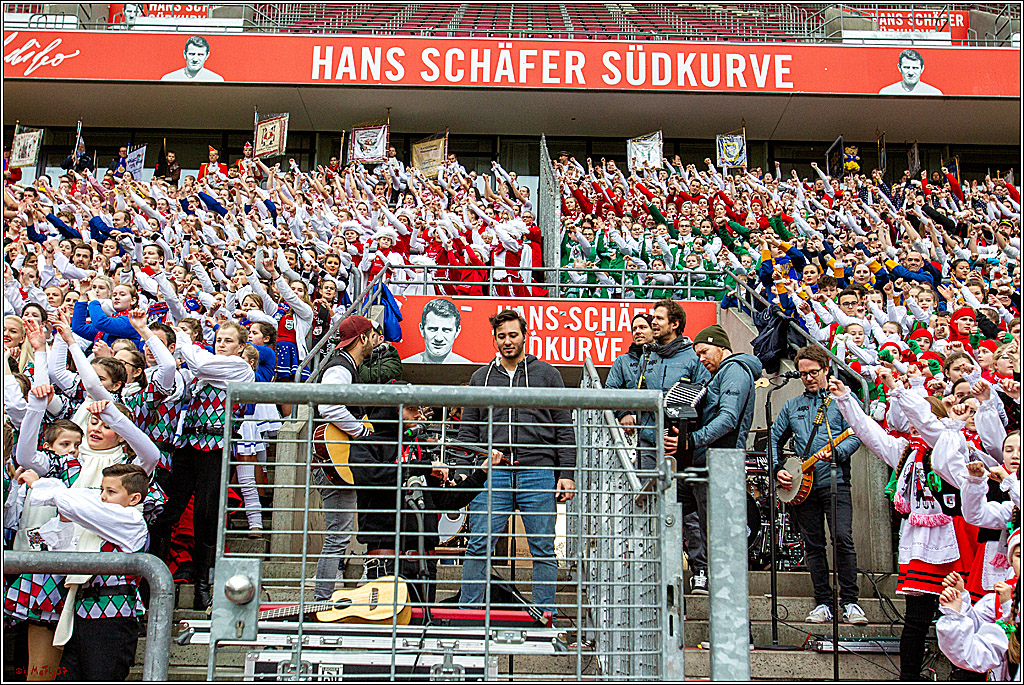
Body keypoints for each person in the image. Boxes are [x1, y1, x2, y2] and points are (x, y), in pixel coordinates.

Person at [458, 310, 576, 616]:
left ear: (525, 335)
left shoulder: (547, 374)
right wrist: (479, 459)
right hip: (493, 475)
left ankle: (543, 618)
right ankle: (467, 619)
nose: (508, 341)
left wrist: (567, 473)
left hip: (538, 472)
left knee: (543, 550)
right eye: (502, 336)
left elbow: (564, 426)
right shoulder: (479, 378)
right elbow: (466, 432)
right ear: (494, 339)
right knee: (478, 547)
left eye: (513, 335)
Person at [349, 396, 499, 606]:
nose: (418, 414)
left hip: (424, 565)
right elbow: (373, 477)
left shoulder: (418, 451)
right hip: (387, 560)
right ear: (391, 411)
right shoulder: (367, 446)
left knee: (422, 627)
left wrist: (481, 473)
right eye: (411, 409)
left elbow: (446, 500)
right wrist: (423, 467)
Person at [147, 322, 255, 610]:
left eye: (229, 341)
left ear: (240, 347)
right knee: (168, 511)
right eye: (219, 339)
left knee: (206, 515)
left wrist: (182, 340)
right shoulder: (204, 371)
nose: (221, 344)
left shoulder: (240, 368)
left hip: (215, 448)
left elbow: (201, 362)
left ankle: (202, 587)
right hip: (188, 446)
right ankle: (152, 581)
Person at [14, 463, 149, 681]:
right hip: (80, 612)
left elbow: (82, 507)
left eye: (111, 492)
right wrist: (66, 518)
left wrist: (42, 485)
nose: (103, 497)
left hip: (112, 617)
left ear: (133, 499)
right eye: (102, 490)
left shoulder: (132, 521)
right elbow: (58, 545)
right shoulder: (95, 523)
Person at [771, 345, 867, 624]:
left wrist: (837, 453)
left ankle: (850, 601)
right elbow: (775, 440)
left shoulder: (842, 401)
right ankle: (823, 601)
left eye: (814, 372)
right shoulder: (791, 406)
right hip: (803, 487)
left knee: (842, 538)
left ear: (827, 368)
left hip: (835, 482)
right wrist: (778, 469)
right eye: (803, 374)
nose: (809, 378)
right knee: (813, 544)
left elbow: (858, 433)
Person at [679, 324, 761, 595]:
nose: (701, 359)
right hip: (704, 466)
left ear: (721, 346)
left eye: (704, 351)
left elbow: (728, 418)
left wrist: (691, 439)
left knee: (719, 543)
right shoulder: (719, 376)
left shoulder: (735, 370)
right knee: (666, 500)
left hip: (720, 467)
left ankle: (736, 629)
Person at [639, 300, 710, 591]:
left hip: (680, 447)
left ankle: (699, 570)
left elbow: (705, 396)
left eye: (658, 318)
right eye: (652, 318)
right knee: (648, 509)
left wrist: (684, 432)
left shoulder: (692, 357)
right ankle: (651, 570)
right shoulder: (647, 356)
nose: (653, 322)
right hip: (647, 443)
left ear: (675, 324)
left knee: (688, 512)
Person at [311, 315, 375, 601]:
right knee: (338, 534)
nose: (375, 341)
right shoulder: (340, 367)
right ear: (362, 338)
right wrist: (360, 429)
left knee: (339, 533)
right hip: (332, 460)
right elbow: (329, 406)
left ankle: (322, 597)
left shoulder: (345, 366)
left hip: (337, 458)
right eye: (372, 336)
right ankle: (321, 599)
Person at [402, 298, 471, 364]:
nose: (439, 338)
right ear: (422, 329)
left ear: (457, 331)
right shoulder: (403, 366)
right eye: (433, 329)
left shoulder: (469, 369)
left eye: (446, 330)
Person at [879, 49, 943, 96]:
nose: (911, 73)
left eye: (915, 68)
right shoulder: (886, 93)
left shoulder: (935, 94)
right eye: (906, 67)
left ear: (922, 69)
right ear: (899, 68)